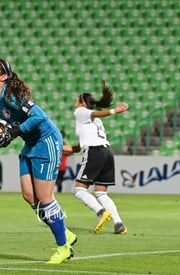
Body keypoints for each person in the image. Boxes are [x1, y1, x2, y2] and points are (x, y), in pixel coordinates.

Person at [0, 59, 77, 264]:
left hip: (46, 141)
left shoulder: (11, 94)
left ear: (4, 76)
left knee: (45, 197)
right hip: (30, 144)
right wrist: (0, 137)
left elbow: (39, 117)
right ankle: (65, 233)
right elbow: (14, 122)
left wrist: (15, 131)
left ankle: (63, 248)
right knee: (29, 196)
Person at [68, 80, 128, 235]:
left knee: (78, 190)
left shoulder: (81, 112)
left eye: (77, 100)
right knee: (101, 193)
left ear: (82, 103)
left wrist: (116, 110)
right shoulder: (96, 123)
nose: (75, 103)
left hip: (94, 152)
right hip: (107, 152)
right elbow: (80, 145)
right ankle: (118, 223)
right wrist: (63, 148)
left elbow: (95, 113)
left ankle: (101, 212)